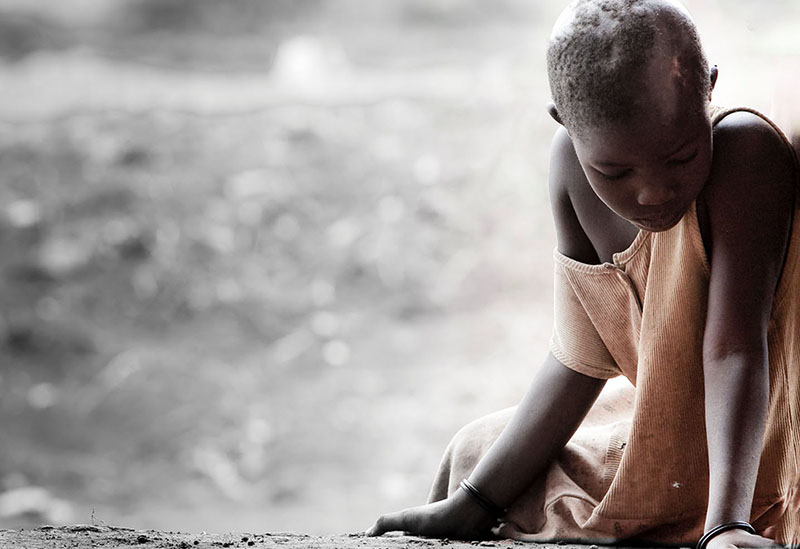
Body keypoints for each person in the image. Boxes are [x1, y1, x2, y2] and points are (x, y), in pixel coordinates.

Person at [367, 0, 800, 546]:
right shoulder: (569, 171)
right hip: (667, 425)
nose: (652, 191)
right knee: (472, 451)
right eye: (615, 171)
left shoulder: (743, 154)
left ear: (709, 89)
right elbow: (579, 354)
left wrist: (727, 526)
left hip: (750, 446)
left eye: (683, 157)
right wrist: (471, 505)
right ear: (565, 125)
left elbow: (735, 348)